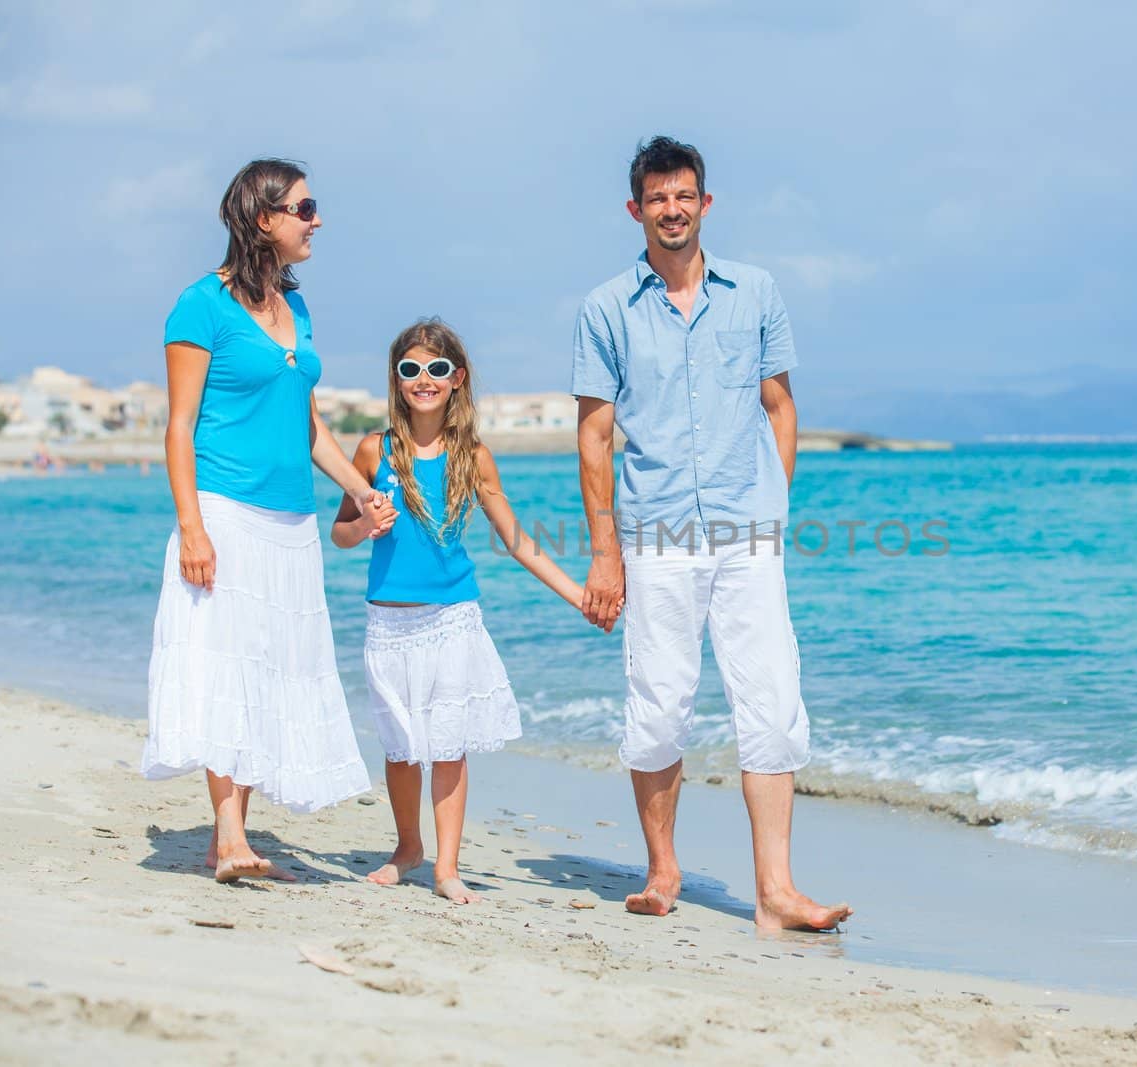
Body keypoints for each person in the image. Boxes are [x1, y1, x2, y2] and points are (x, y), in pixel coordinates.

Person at [571, 136, 852, 931]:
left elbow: (781, 406)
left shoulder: (755, 292)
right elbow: (594, 438)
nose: (671, 209)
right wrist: (604, 553)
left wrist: (772, 504)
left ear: (705, 202)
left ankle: (776, 891)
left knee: (770, 703)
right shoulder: (605, 310)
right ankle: (663, 868)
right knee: (659, 708)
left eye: (684, 195)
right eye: (656, 198)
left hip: (746, 534)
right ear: (636, 209)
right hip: (655, 534)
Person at [141, 159, 398, 883]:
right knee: (226, 664)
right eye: (305, 208)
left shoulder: (296, 307)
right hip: (224, 510)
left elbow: (310, 427)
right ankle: (229, 841)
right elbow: (179, 426)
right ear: (263, 218)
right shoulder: (201, 305)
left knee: (265, 669)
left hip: (291, 524)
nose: (317, 220)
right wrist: (192, 527)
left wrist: (364, 489)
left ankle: (238, 835)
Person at [333, 318, 586, 903]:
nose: (424, 380)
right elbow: (341, 534)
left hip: (451, 620)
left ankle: (446, 866)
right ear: (396, 379)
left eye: (437, 369)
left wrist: (577, 595)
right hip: (388, 622)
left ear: (457, 379)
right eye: (411, 369)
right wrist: (366, 522)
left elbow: (517, 541)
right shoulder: (375, 449)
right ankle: (407, 848)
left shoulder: (473, 455)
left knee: (447, 746)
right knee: (400, 748)